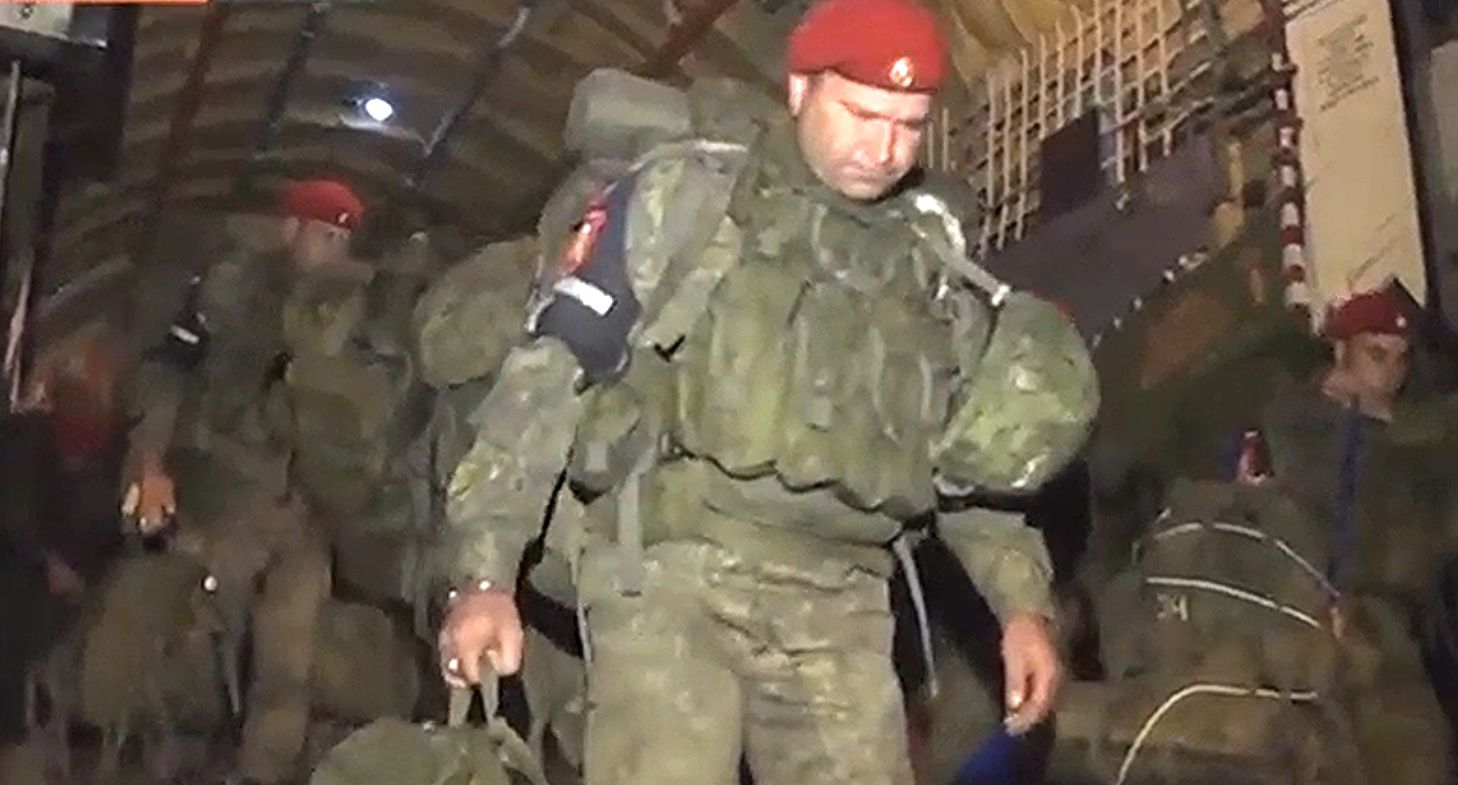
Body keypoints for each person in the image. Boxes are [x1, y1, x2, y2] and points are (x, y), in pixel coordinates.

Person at [435, 1, 1099, 783]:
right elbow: (547, 380)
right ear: (799, 90)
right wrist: (485, 573)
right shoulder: (687, 201)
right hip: (670, 574)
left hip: (845, 603)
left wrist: (1021, 606)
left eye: (909, 125)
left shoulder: (929, 263)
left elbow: (965, 461)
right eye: (862, 115)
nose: (884, 149)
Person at [121, 178, 365, 785]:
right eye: (323, 235)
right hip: (223, 487)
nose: (333, 251)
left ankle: (262, 773)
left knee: (291, 657)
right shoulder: (231, 290)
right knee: (199, 636)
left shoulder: (347, 314)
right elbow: (167, 370)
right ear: (289, 229)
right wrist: (150, 463)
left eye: (342, 240)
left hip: (303, 503)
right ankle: (174, 761)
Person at [1259, 284, 1455, 783]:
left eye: (1400, 359)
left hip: (1421, 612)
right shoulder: (1300, 422)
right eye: (1376, 355)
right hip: (1350, 623)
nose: (1390, 373)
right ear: (1340, 351)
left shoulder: (1404, 422)